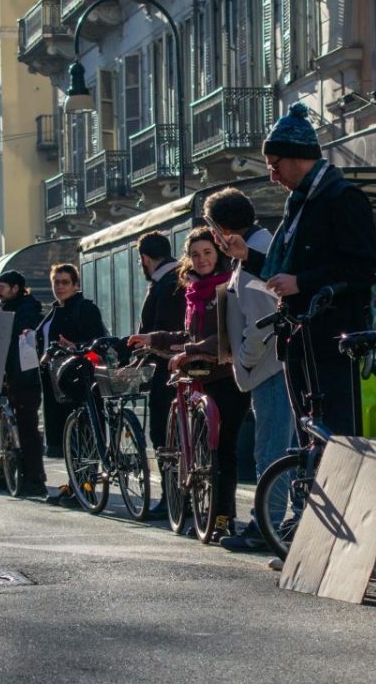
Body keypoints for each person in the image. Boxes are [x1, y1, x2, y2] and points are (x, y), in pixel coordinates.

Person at [231, 102, 376, 436]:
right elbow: (283, 270)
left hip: (332, 342)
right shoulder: (300, 202)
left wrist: (303, 282)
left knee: (335, 438)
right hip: (300, 341)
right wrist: (249, 256)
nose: (272, 176)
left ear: (297, 156)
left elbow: (367, 267)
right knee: (308, 440)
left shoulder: (342, 198)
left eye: (275, 165)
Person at [130, 228, 250, 540]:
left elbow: (226, 334)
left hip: (227, 378)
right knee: (204, 453)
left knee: (224, 453)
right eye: (195, 254)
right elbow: (189, 336)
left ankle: (223, 518)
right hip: (202, 379)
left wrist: (189, 351)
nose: (202, 259)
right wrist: (154, 338)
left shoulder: (229, 286)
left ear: (219, 254)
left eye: (208, 252)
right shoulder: (193, 291)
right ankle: (199, 512)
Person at [196, 188, 292, 551]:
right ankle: (277, 521)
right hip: (270, 367)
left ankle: (266, 527)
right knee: (277, 449)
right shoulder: (256, 248)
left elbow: (264, 319)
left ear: (220, 228)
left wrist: (244, 358)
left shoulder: (258, 252)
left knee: (272, 450)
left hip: (268, 368)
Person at [38, 263, 109, 507]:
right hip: (59, 380)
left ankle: (85, 489)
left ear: (76, 284)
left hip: (81, 379)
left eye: (65, 282)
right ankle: (75, 485)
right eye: (56, 282)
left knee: (84, 433)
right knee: (70, 434)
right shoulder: (56, 309)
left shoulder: (84, 307)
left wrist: (74, 346)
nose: (59, 287)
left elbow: (97, 338)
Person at [136, 230, 186, 517]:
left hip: (168, 366)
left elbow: (156, 328)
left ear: (144, 258)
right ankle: (180, 497)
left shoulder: (164, 284)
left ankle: (173, 499)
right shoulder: (178, 277)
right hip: (182, 361)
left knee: (164, 435)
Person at [0, 270, 47, 498]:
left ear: (16, 288)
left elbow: (18, 339)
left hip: (25, 378)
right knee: (21, 428)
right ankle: (24, 475)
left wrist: (4, 317)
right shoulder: (13, 309)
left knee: (27, 428)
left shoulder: (26, 310)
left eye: (2, 287)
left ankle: (35, 479)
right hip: (14, 376)